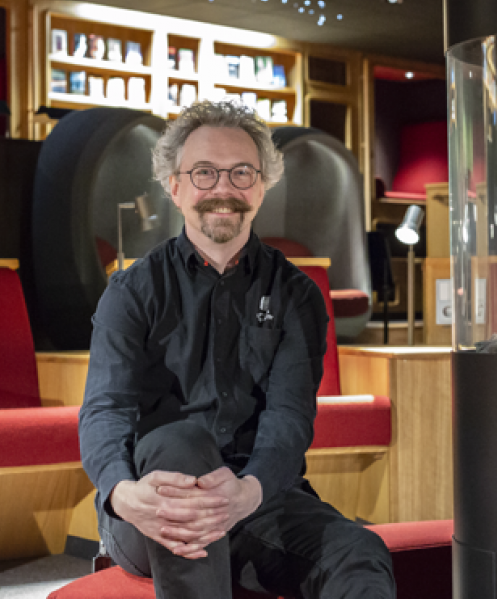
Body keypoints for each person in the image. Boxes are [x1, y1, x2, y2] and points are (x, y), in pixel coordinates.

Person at [78, 100, 396, 599]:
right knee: (180, 444)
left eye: (241, 173)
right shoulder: (131, 291)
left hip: (256, 496)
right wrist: (121, 493)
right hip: (154, 504)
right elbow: (104, 409)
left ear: (262, 186)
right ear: (174, 186)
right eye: (204, 173)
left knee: (358, 551)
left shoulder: (296, 294)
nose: (223, 189)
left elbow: (290, 417)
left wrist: (249, 491)